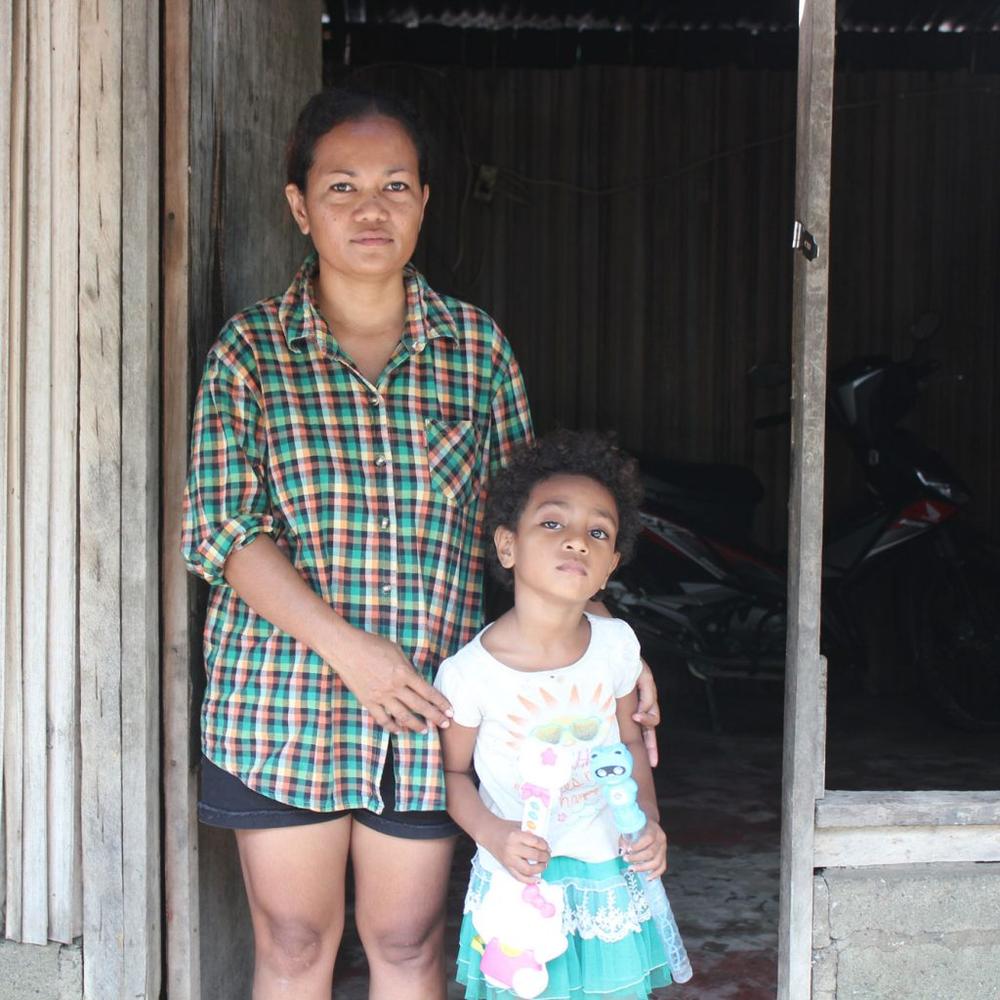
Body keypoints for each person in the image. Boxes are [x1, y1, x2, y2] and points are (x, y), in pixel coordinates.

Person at [181, 86, 662, 1000]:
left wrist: (606, 650)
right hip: (279, 704)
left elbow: (533, 528)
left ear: (426, 202)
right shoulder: (250, 351)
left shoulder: (476, 350)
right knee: (291, 939)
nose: (372, 209)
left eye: (396, 186)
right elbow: (222, 529)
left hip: (437, 712)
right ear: (299, 204)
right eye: (342, 187)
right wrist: (350, 653)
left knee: (408, 941)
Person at [436, 430, 687, 999]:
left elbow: (629, 747)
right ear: (507, 546)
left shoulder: (617, 646)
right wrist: (492, 833)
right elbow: (452, 776)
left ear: (609, 568)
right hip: (520, 884)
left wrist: (648, 820)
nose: (576, 541)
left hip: (607, 876)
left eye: (597, 532)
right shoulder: (469, 674)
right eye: (553, 523)